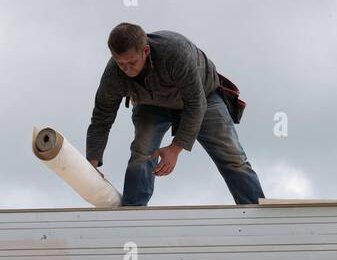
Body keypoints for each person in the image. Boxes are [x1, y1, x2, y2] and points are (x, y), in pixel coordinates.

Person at [85, 23, 265, 206]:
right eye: (121, 64)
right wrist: (91, 163)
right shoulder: (113, 74)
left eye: (132, 62)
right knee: (142, 152)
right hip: (151, 104)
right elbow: (101, 118)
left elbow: (196, 104)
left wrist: (175, 149)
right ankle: (133, 213)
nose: (127, 69)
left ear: (145, 51)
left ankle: (256, 213)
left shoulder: (175, 52)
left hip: (202, 97)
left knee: (232, 157)